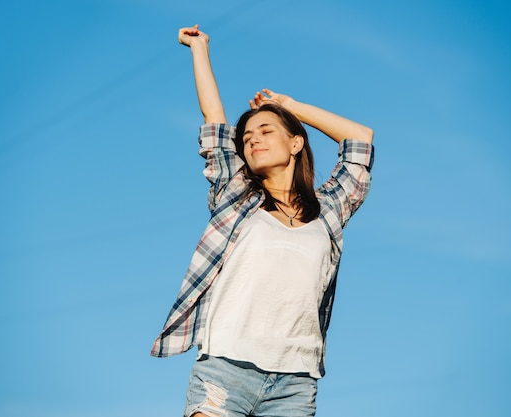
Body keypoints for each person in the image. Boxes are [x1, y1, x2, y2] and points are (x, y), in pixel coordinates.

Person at [151, 24, 375, 417]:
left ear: (296, 143)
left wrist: (290, 106)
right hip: (224, 371)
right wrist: (198, 49)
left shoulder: (330, 210)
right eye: (247, 136)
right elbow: (215, 120)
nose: (252, 139)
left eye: (266, 130)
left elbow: (360, 139)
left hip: (295, 383)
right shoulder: (237, 196)